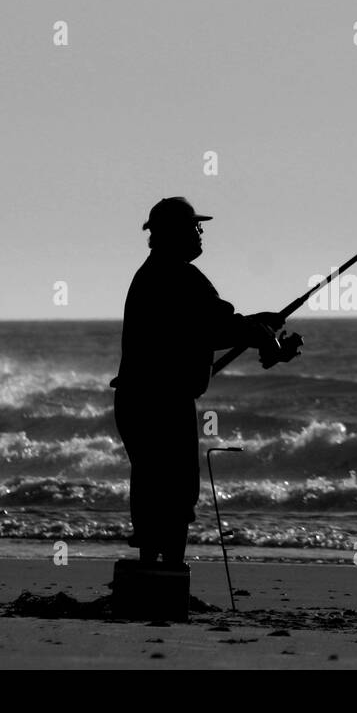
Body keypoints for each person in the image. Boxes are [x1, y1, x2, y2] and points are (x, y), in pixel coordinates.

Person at [110, 196, 292, 566]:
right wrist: (259, 332)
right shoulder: (178, 275)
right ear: (177, 233)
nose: (200, 232)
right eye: (195, 226)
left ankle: (153, 578)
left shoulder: (155, 272)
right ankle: (171, 575)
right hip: (161, 403)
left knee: (153, 490)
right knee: (176, 492)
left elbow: (206, 325)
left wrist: (258, 325)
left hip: (138, 400)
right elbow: (218, 326)